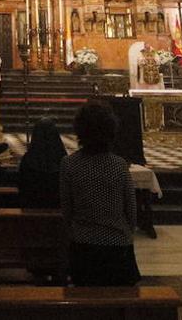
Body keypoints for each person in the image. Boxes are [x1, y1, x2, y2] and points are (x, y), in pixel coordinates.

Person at [60, 102, 140, 286]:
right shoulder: (119, 165)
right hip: (118, 246)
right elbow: (131, 210)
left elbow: (67, 209)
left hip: (83, 245)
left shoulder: (69, 164)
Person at [18, 117, 66, 209]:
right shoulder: (64, 159)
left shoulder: (27, 160)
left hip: (31, 207)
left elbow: (22, 186)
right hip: (58, 207)